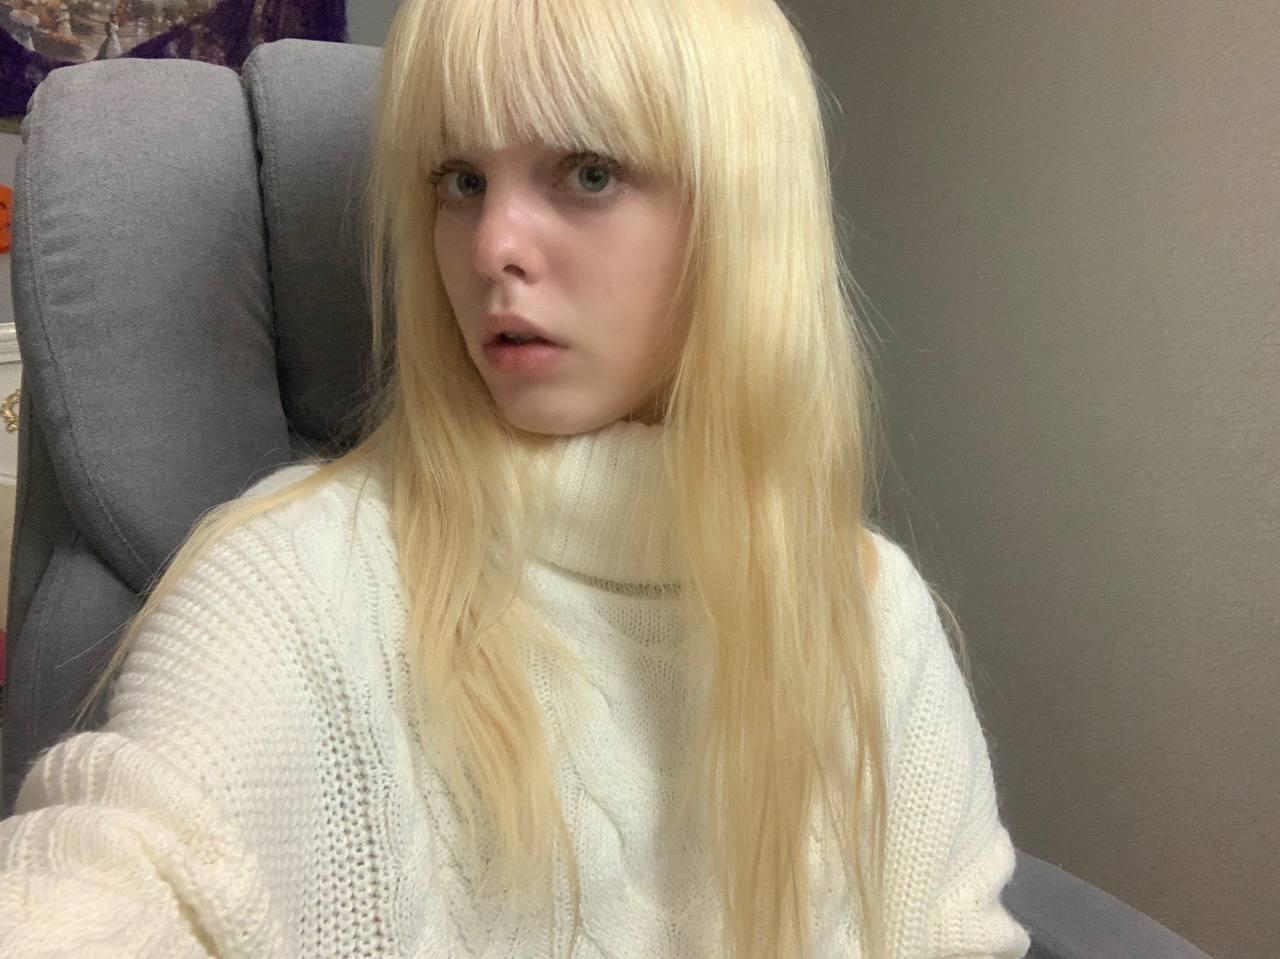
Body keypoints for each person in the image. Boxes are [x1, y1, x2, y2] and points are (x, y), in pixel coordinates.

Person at [0, 0, 1033, 957]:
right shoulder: (286, 588)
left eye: (588, 172)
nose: (491, 246)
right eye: (459, 180)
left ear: (741, 219)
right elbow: (126, 866)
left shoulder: (868, 610)